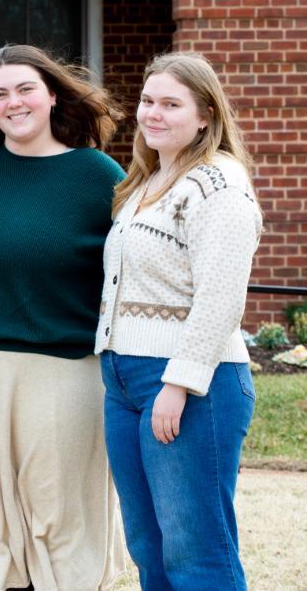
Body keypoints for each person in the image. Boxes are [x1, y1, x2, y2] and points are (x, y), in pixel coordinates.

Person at [0, 44, 126, 591]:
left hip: (63, 366)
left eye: (25, 89)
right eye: (0, 94)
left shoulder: (97, 176)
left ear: (52, 95)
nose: (13, 102)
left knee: (58, 512)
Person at [97, 52, 261, 589]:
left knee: (197, 552)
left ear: (206, 115)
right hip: (124, 381)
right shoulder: (146, 181)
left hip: (189, 385)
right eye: (148, 101)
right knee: (149, 545)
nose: (154, 114)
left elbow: (221, 298)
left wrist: (180, 382)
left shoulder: (218, 186)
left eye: (172, 104)